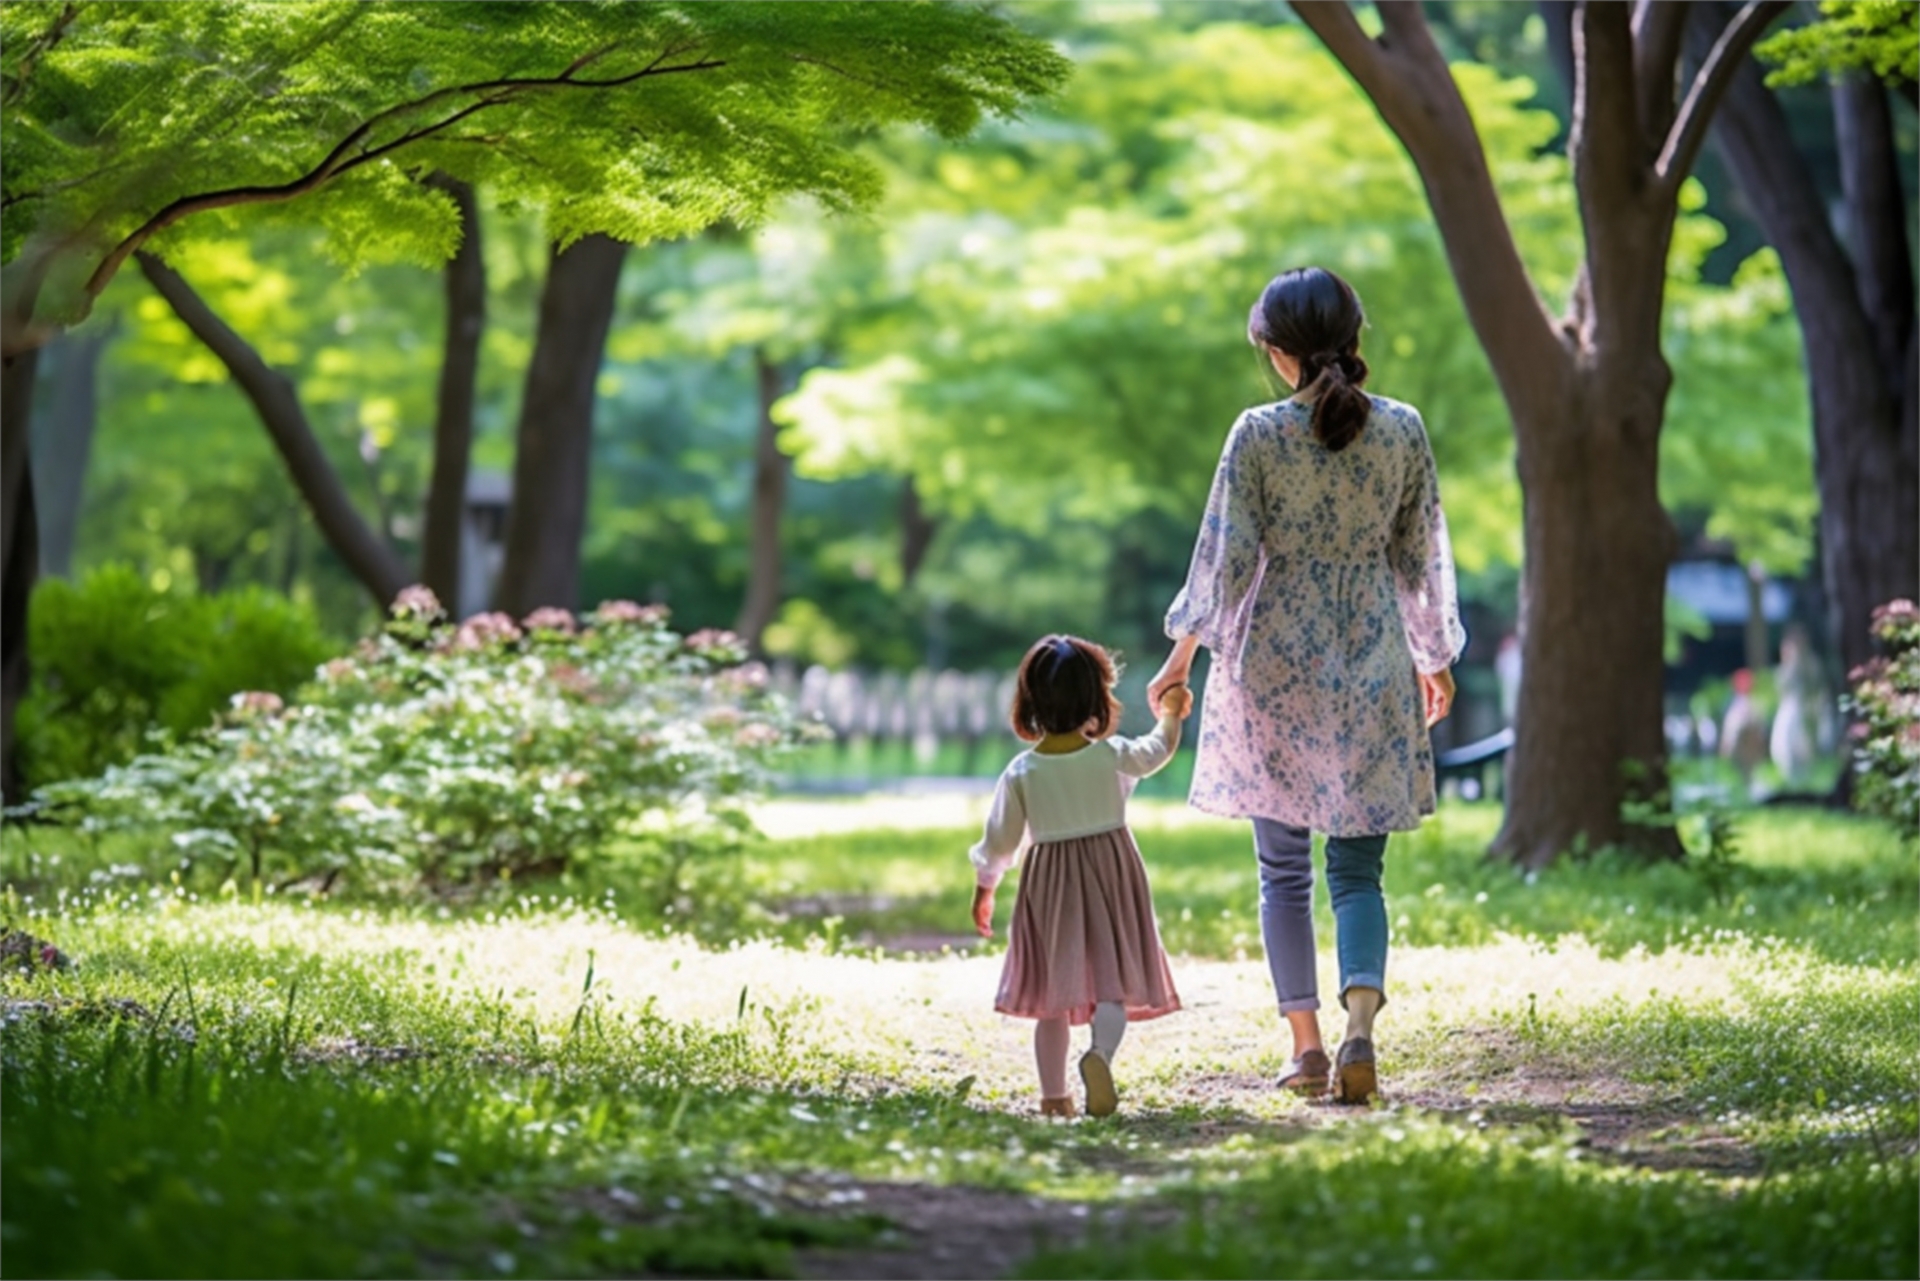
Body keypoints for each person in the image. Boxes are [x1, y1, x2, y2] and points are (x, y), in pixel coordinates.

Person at [1146, 266, 1465, 1105]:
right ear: (1355, 337)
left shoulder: (1256, 434)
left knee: (1281, 870)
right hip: (1372, 655)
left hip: (1273, 662)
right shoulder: (1403, 431)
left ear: (1278, 351)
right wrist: (1434, 656)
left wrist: (1178, 661)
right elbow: (1420, 556)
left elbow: (1222, 558)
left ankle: (1308, 1046)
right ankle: (1362, 1028)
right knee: (1358, 871)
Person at [969, 634, 1190, 1119]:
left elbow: (999, 840)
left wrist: (986, 887)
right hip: (1112, 870)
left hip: (1050, 883)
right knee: (1110, 983)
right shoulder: (1108, 755)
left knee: (1053, 994)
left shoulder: (1022, 772)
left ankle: (1053, 1097)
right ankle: (1100, 1056)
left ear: (1030, 704)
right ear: (1097, 699)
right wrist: (1171, 712)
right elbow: (1157, 750)